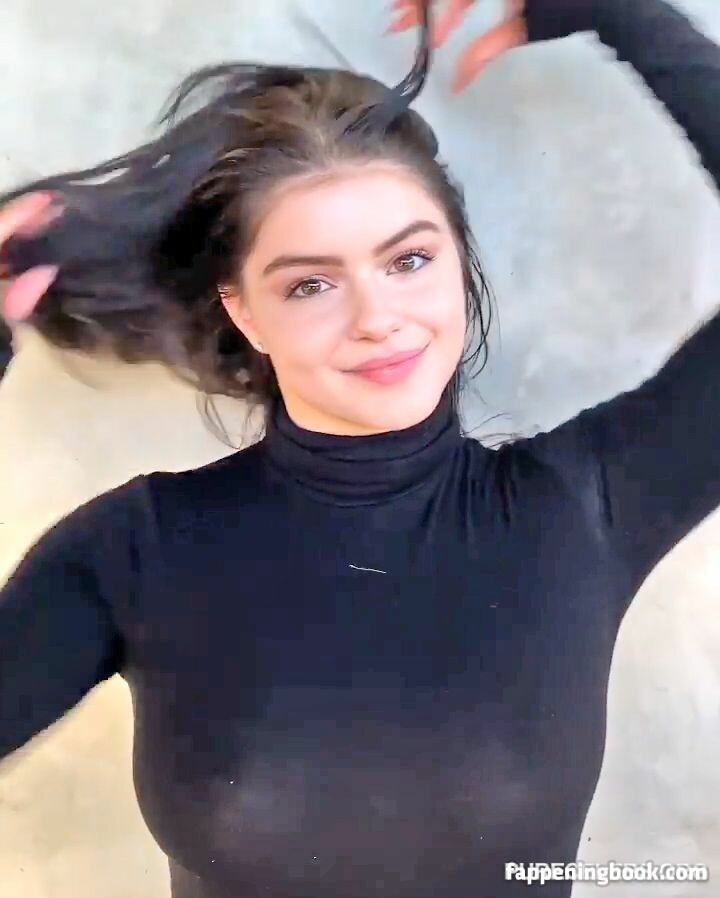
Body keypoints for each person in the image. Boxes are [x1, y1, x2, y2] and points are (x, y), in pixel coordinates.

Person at [0, 0, 717, 895]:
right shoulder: (134, 550)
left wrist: (622, 14)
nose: (378, 318)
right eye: (310, 284)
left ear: (460, 263)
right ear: (244, 312)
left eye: (409, 260)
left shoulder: (586, 507)